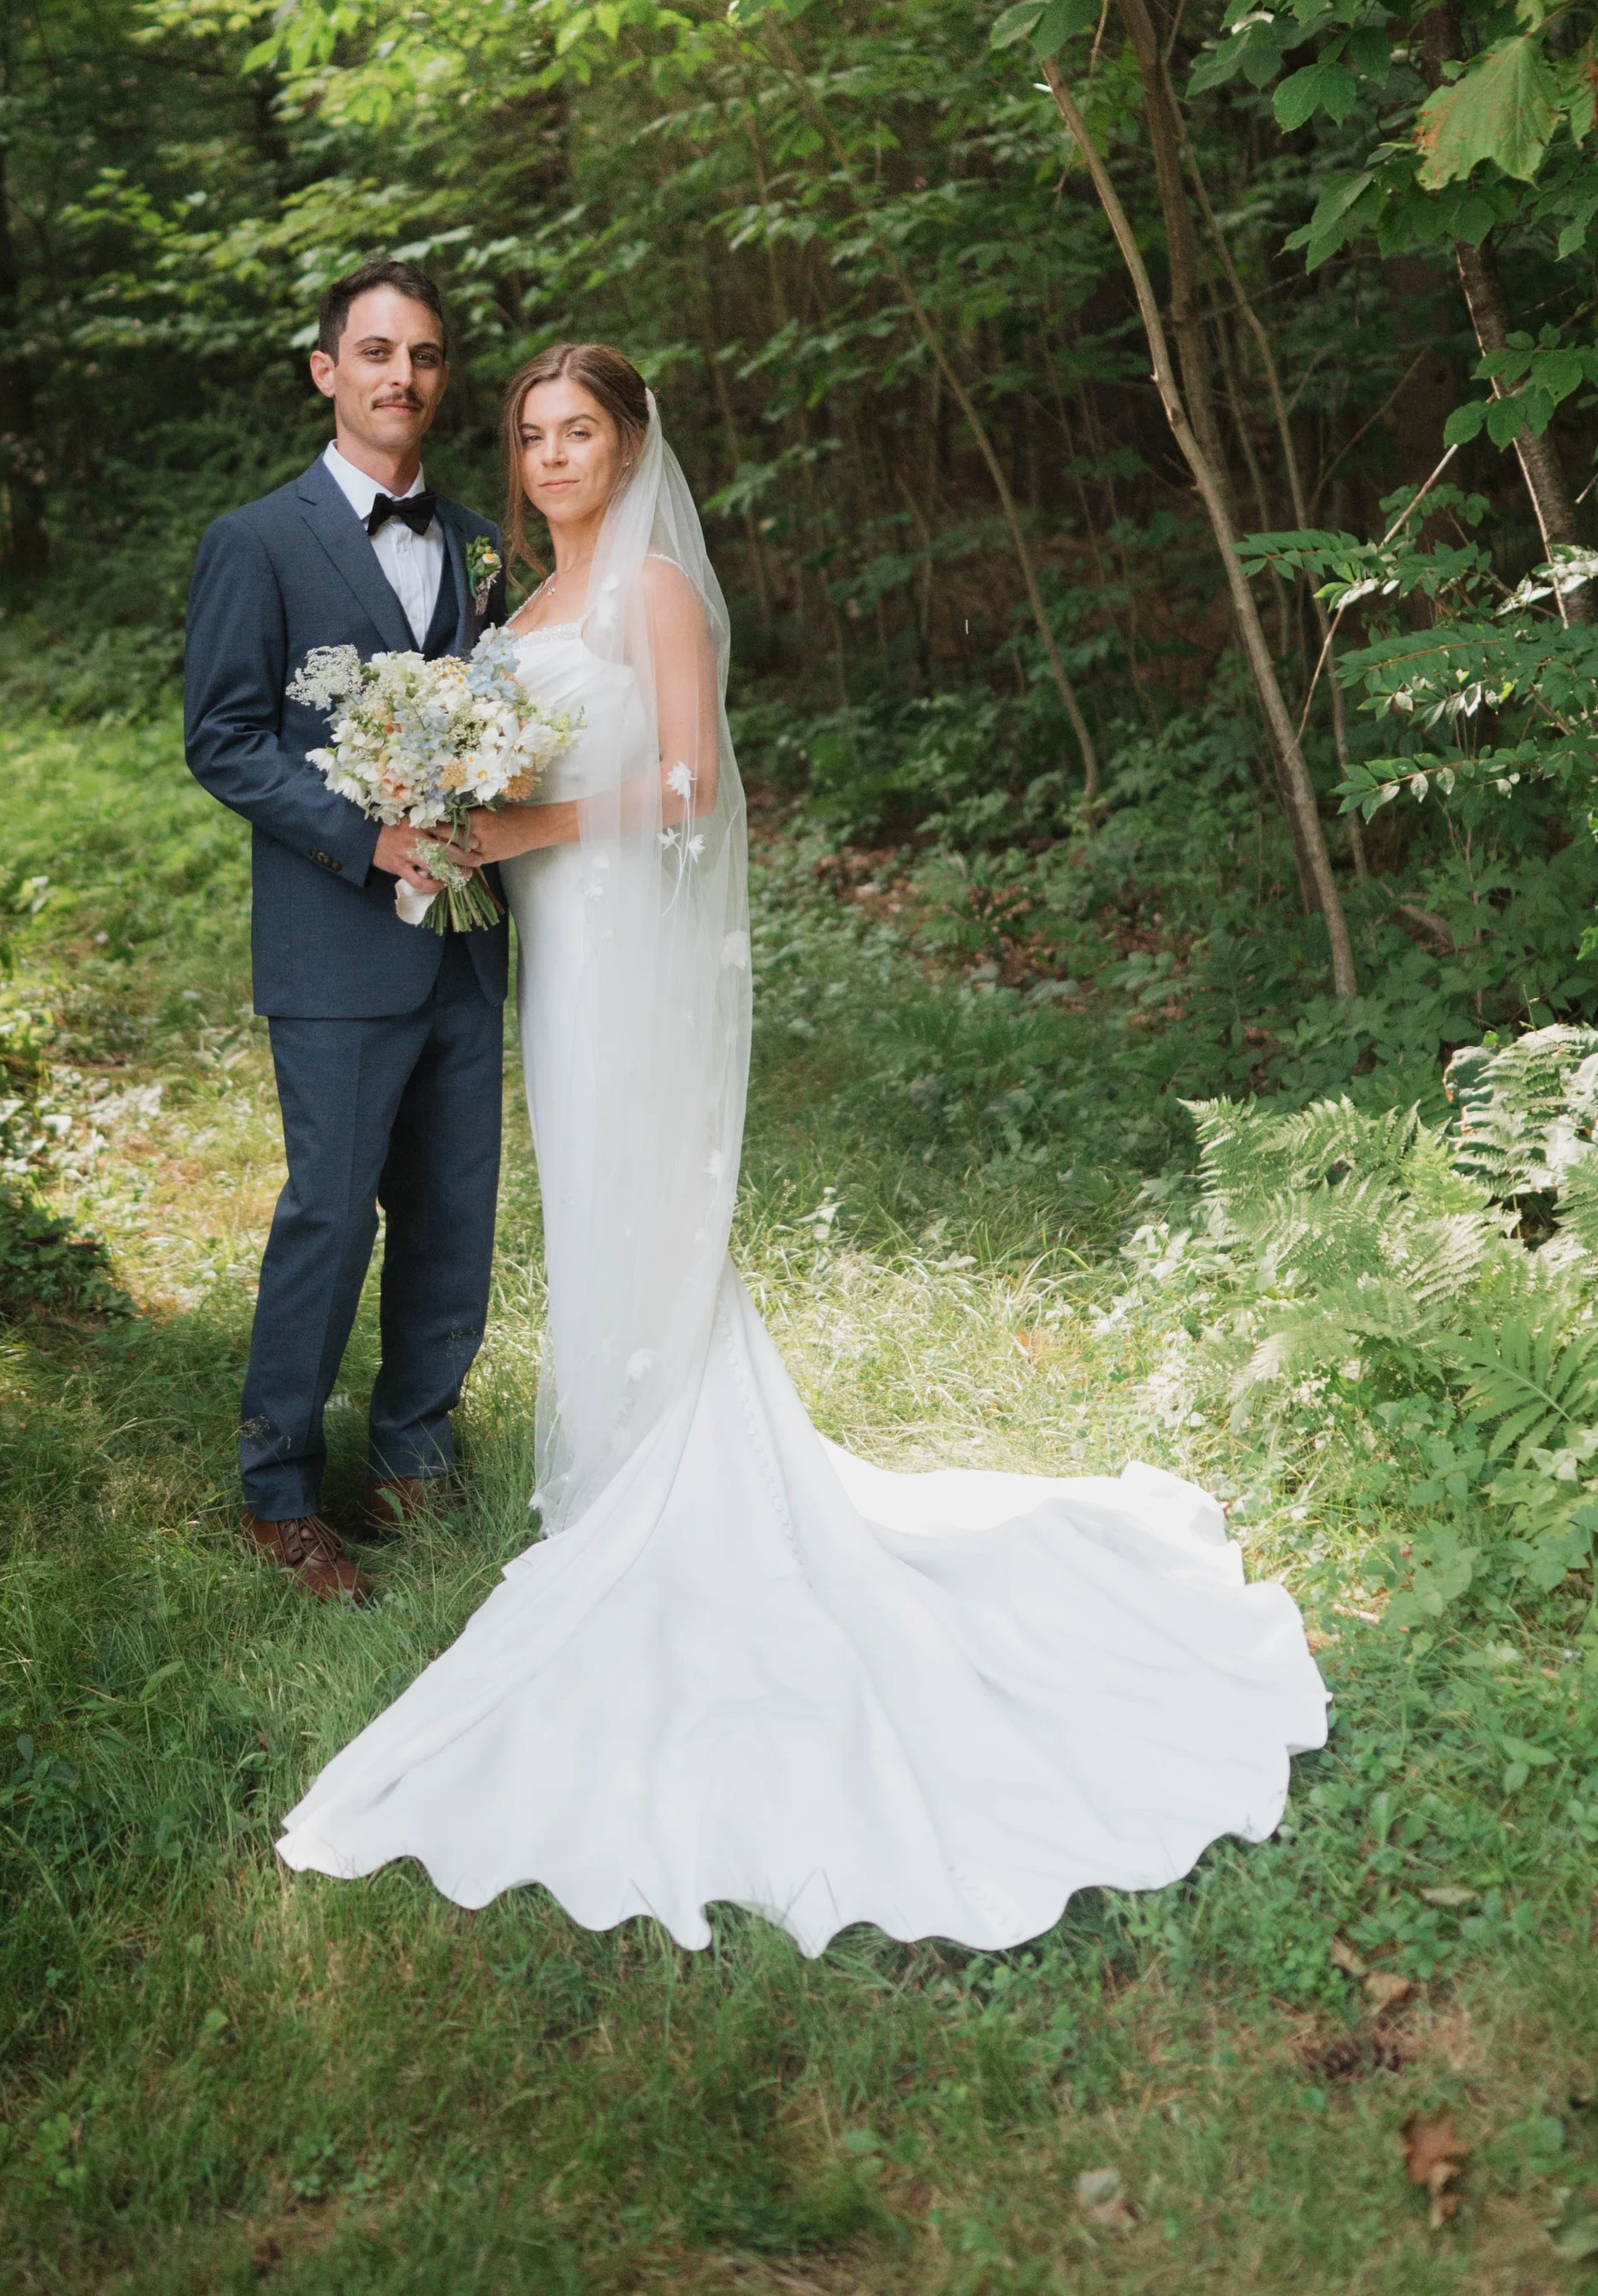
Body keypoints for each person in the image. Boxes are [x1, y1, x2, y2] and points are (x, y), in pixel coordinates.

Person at [277, 341, 1328, 1953]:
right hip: (554, 951)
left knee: (634, 1176)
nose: (556, 457)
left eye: (585, 433)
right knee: (588, 1191)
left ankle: (669, 1472)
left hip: (625, 934)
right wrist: (449, 809)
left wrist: (523, 828)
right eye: (536, 435)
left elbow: (691, 783)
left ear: (633, 447)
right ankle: (623, 1449)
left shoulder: (655, 602)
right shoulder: (513, 612)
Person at [182, 259, 509, 1604]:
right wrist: (361, 835)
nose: (401, 377)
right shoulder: (256, 542)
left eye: (424, 356)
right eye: (375, 352)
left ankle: (414, 1456)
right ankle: (276, 1494)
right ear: (326, 370)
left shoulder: (481, 540)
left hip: (467, 943)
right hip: (333, 941)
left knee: (453, 1209)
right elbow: (223, 738)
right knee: (331, 1215)